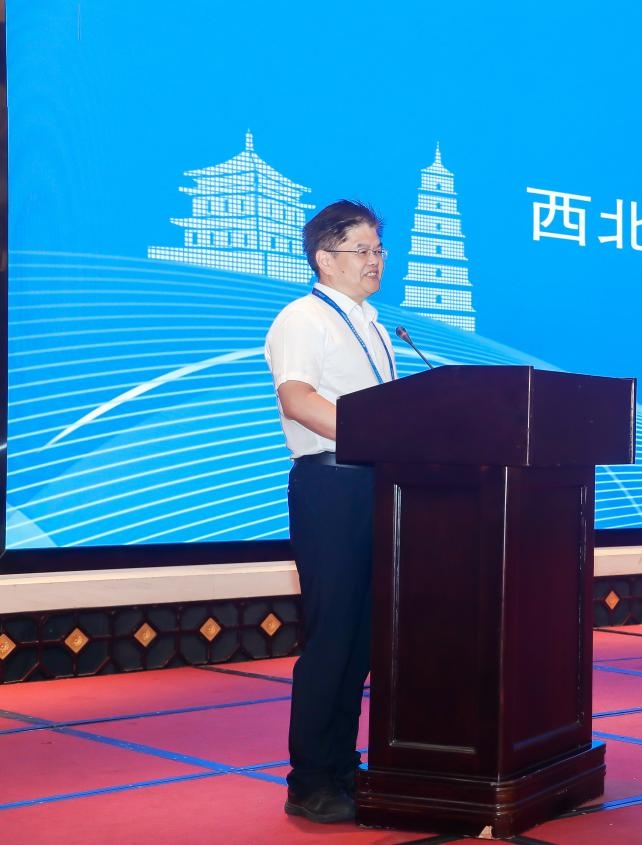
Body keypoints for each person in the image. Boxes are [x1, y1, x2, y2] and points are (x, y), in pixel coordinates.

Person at [263, 199, 396, 824]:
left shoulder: (376, 325)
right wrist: (378, 435)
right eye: (361, 250)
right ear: (324, 258)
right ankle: (309, 780)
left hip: (379, 485)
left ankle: (344, 767)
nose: (375, 261)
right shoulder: (303, 317)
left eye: (378, 250)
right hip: (332, 484)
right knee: (333, 636)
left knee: (362, 639)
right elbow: (297, 399)